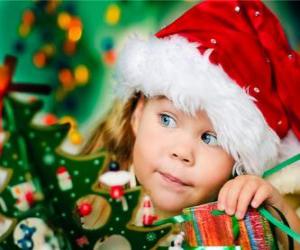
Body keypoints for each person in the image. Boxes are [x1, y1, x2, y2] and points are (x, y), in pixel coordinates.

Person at [82, 0, 300, 248]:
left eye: (210, 138)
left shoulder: (239, 224)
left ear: (240, 161)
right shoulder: (85, 192)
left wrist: (277, 212)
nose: (182, 152)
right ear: (138, 114)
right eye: (167, 120)